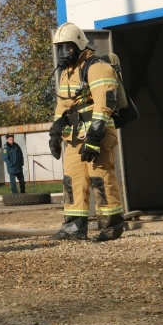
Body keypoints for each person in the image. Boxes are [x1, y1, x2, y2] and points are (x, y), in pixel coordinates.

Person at [48, 22, 125, 241]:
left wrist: (94, 137)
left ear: (80, 45)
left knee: (100, 178)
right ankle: (73, 226)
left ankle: (111, 226)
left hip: (98, 134)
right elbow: (62, 106)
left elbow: (104, 104)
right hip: (74, 136)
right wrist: (54, 133)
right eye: (60, 48)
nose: (64, 53)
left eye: (68, 47)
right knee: (72, 180)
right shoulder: (66, 73)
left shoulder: (98, 67)